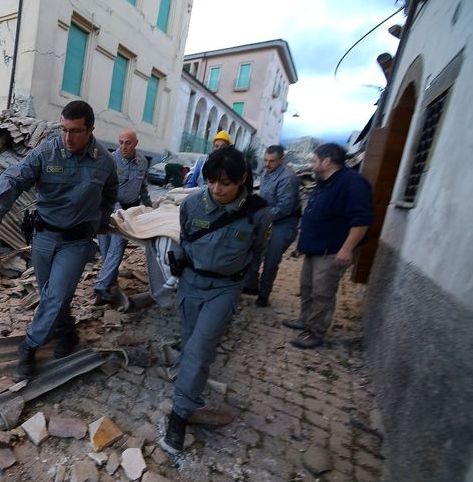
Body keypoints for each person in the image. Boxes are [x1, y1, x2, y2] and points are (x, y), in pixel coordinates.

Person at [0, 100, 119, 380]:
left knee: (56, 295)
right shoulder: (47, 151)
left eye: (76, 131)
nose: (68, 137)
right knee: (50, 295)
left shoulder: (104, 161)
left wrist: (101, 220)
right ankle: (67, 334)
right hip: (43, 236)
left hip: (76, 241)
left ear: (90, 129)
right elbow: (14, 177)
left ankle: (29, 346)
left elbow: (110, 194)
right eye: (64, 129)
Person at [160, 146, 271, 454]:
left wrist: (250, 280)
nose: (217, 189)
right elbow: (183, 237)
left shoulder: (258, 212)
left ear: (242, 180)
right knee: (191, 343)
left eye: (225, 183)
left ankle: (179, 416)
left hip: (224, 290)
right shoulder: (193, 204)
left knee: (199, 348)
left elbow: (259, 247)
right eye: (211, 181)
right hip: (191, 284)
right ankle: (191, 393)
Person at [283, 143, 373, 349]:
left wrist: (347, 249)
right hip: (314, 249)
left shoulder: (353, 183)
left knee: (322, 293)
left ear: (327, 161)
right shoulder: (326, 181)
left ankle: (315, 332)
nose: (311, 165)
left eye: (314, 160)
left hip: (332, 251)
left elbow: (362, 221)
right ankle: (305, 320)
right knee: (307, 287)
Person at [95, 129, 152, 302]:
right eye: (120, 142)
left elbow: (143, 187)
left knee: (117, 248)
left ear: (136, 143)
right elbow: (101, 187)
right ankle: (110, 281)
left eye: (127, 143)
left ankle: (101, 287)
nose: (123, 146)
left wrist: (149, 206)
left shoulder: (142, 162)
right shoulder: (110, 160)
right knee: (106, 250)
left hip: (128, 212)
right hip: (107, 208)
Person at [242, 145, 301, 307]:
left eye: (272, 161)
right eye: (265, 160)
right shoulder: (267, 173)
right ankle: (251, 286)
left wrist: (260, 218)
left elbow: (284, 208)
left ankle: (264, 294)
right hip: (268, 219)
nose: (267, 164)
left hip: (283, 222)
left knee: (271, 260)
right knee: (253, 250)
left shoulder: (287, 178)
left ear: (281, 160)